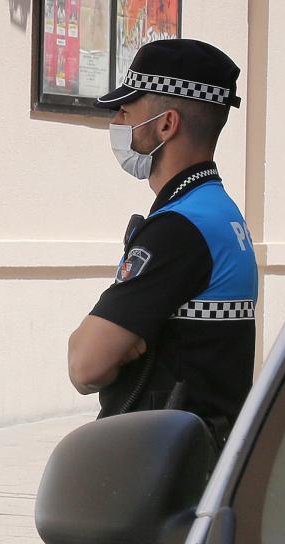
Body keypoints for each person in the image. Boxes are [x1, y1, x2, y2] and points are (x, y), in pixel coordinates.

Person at [67, 39, 257, 447]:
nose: (116, 121)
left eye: (125, 110)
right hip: (199, 455)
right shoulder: (218, 212)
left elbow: (85, 364)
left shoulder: (179, 228)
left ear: (167, 124)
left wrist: (122, 343)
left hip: (162, 468)